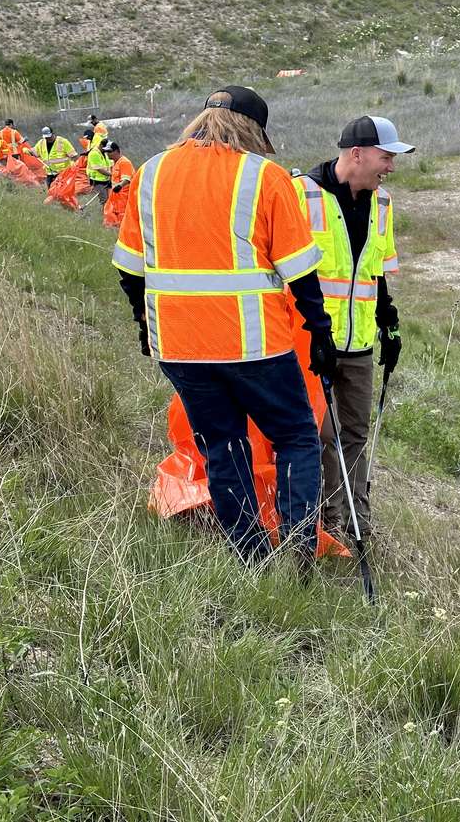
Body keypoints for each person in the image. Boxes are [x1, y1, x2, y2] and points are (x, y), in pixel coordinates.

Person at [112, 86, 337, 566]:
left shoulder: (150, 173)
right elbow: (301, 274)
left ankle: (251, 556)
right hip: (255, 346)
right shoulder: (264, 176)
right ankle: (298, 552)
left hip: (179, 346)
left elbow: (130, 270)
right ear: (254, 130)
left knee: (221, 445)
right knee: (296, 436)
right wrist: (320, 335)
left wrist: (144, 327)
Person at [293, 115, 409, 546]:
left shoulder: (383, 203)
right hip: (309, 340)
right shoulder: (300, 194)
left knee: (355, 434)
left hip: (359, 342)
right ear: (356, 153)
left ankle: (357, 521)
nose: (390, 167)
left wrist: (388, 321)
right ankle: (325, 522)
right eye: (386, 157)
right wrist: (312, 331)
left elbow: (376, 271)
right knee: (320, 435)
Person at [102, 139, 134, 227]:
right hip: (115, 195)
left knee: (121, 216)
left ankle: (122, 234)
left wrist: (119, 186)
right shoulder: (115, 163)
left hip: (123, 196)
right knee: (110, 215)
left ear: (116, 151)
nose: (107, 154)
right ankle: (113, 231)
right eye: (106, 152)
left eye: (109, 151)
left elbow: (126, 179)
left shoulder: (124, 162)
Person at [85, 119, 112, 207]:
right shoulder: (94, 153)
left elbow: (109, 164)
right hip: (97, 180)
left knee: (110, 199)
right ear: (101, 146)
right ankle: (106, 218)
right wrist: (111, 174)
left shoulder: (104, 152)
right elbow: (99, 169)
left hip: (106, 179)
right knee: (104, 200)